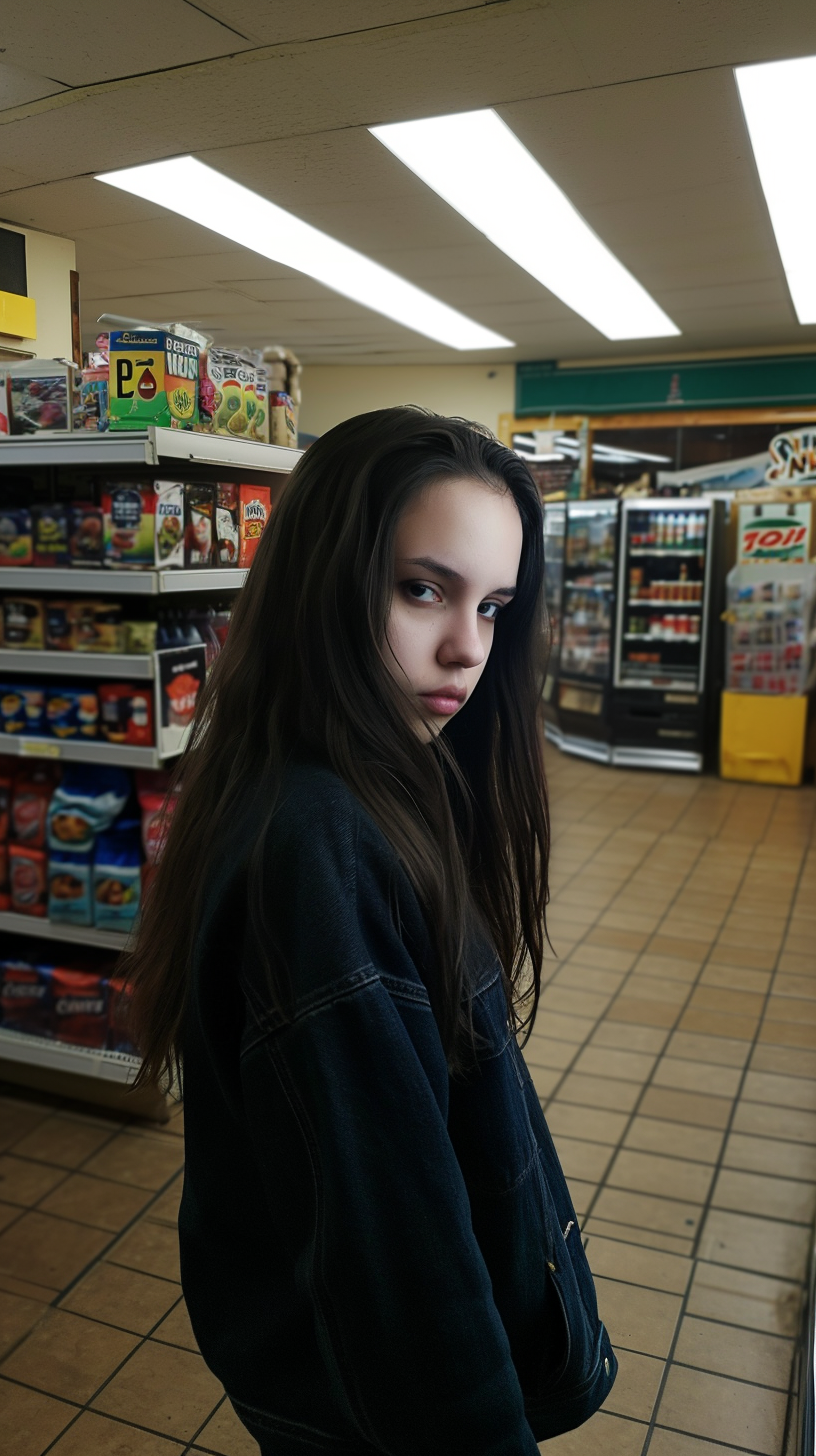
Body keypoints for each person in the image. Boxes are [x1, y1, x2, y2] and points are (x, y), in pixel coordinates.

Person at [122, 407, 617, 1455]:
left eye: (494, 605)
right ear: (324, 580)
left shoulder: (327, 777)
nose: (466, 647)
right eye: (422, 588)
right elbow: (400, 1247)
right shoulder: (325, 848)